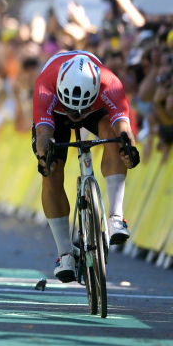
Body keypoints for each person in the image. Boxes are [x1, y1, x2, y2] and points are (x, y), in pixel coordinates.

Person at [32, 51, 139, 282]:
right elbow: (43, 134)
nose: (76, 116)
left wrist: (128, 148)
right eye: (73, 110)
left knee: (115, 138)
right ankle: (65, 254)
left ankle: (116, 217)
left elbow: (123, 125)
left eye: (79, 111)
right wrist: (44, 156)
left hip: (96, 107)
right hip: (56, 114)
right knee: (50, 170)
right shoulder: (45, 86)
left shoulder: (109, 83)